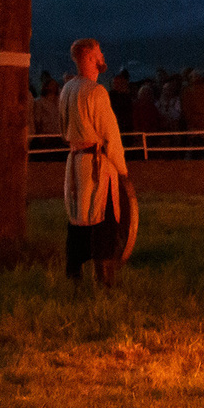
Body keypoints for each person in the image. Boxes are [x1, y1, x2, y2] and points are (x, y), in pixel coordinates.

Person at [61, 38, 129, 287]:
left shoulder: (67, 89)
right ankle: (104, 281)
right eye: (99, 52)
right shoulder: (95, 92)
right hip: (97, 166)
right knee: (104, 219)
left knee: (77, 218)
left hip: (75, 161)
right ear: (90, 57)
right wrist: (122, 170)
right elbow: (111, 134)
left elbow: (62, 128)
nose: (103, 56)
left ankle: (74, 277)